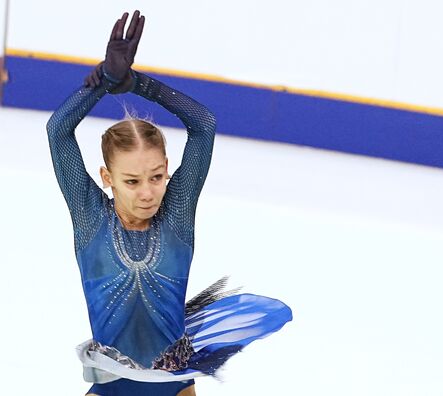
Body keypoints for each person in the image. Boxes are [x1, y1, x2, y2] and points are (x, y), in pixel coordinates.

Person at [47, 10, 292, 396]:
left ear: (166, 170)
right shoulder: (91, 219)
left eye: (156, 177)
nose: (147, 192)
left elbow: (203, 124)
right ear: (106, 178)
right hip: (112, 387)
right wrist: (102, 82)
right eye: (131, 181)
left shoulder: (176, 217)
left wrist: (135, 83)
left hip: (175, 388)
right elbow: (58, 131)